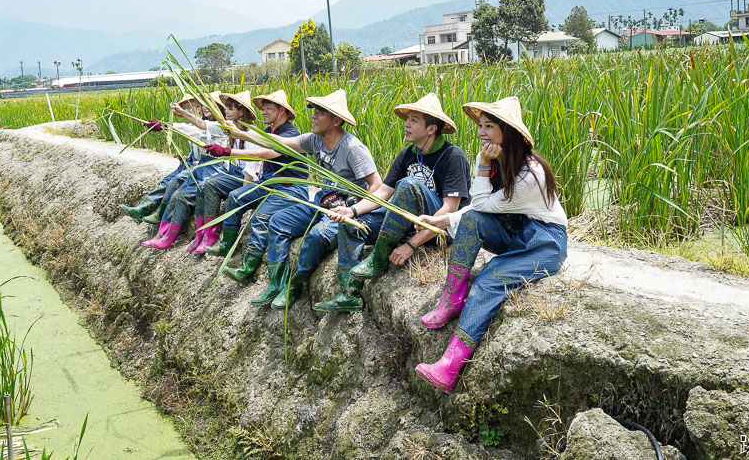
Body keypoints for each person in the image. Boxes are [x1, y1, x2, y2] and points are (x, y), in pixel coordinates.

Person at [412, 96, 567, 394]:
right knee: (470, 223)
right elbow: (480, 210)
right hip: (517, 230)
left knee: (488, 281)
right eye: (480, 126)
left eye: (489, 127)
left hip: (544, 242)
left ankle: (451, 365)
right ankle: (451, 299)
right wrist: (440, 221)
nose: (481, 133)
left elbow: (481, 203)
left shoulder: (530, 174)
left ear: (507, 133)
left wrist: (481, 164)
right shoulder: (500, 164)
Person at [316, 93, 471, 313]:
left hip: (436, 230)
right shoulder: (408, 154)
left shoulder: (452, 156)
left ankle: (379, 257)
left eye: (414, 120)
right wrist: (351, 211)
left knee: (408, 185)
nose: (406, 124)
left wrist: (411, 244)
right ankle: (349, 294)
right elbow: (383, 192)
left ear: (431, 129)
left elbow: (450, 210)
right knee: (352, 225)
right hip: (404, 222)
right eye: (407, 119)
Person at [227, 89, 381, 309]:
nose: (314, 116)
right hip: (321, 202)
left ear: (336, 120)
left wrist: (354, 209)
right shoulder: (314, 140)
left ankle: (294, 285)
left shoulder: (352, 148)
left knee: (317, 235)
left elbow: (377, 185)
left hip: (343, 211)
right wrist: (241, 135)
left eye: (320, 112)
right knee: (279, 222)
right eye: (314, 111)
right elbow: (278, 142)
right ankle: (275, 282)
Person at [202, 90, 306, 263]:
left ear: (281, 111)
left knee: (260, 217)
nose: (263, 112)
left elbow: (262, 154)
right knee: (235, 197)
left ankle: (250, 262)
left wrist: (228, 152)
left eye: (268, 108)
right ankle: (227, 244)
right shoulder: (267, 131)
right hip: (269, 183)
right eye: (263, 108)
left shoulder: (290, 135)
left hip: (290, 188)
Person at [141, 91, 231, 249]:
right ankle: (163, 234)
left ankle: (173, 237)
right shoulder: (205, 123)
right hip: (203, 166)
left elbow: (197, 130)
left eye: (210, 104)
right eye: (203, 104)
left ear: (220, 108)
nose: (205, 107)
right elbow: (194, 127)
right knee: (176, 194)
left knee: (185, 196)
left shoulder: (222, 126)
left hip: (216, 169)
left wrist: (168, 125)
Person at [182, 90, 261, 255]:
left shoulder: (252, 134)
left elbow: (251, 170)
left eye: (231, 109)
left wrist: (243, 194)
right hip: (237, 172)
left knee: (210, 184)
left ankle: (210, 235)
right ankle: (200, 233)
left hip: (248, 178)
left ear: (241, 112)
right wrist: (182, 113)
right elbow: (204, 125)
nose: (226, 111)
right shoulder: (233, 129)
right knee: (202, 185)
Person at [118, 94, 201, 222]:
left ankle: (156, 214)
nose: (187, 111)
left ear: (199, 108)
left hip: (200, 166)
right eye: (184, 108)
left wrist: (164, 125)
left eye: (190, 107)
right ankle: (142, 208)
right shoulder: (191, 125)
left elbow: (191, 132)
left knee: (173, 183)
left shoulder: (205, 125)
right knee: (165, 181)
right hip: (189, 163)